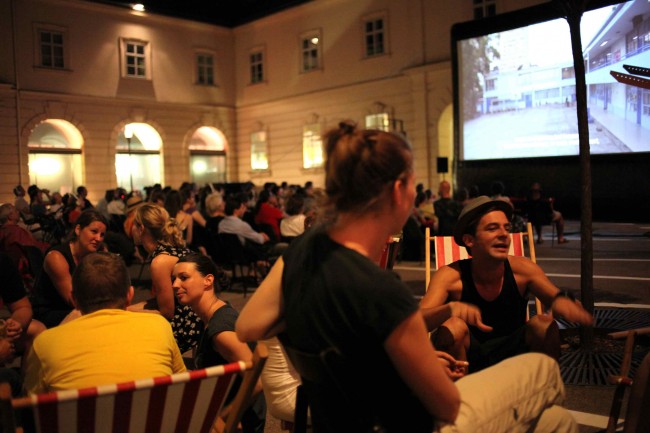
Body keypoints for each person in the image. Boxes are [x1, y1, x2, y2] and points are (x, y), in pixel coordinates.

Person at [236, 122, 577, 433]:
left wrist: (374, 365)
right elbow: (448, 406)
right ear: (398, 190)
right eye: (413, 182)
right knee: (543, 372)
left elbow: (248, 327)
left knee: (556, 423)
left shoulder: (302, 252)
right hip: (411, 425)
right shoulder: (380, 289)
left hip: (340, 420)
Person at [420, 196, 593, 372]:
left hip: (514, 355)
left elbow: (562, 301)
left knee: (543, 324)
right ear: (469, 240)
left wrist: (565, 303)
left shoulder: (523, 270)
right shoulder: (451, 276)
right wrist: (449, 309)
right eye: (492, 228)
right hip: (469, 359)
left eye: (507, 228)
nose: (504, 234)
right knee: (452, 327)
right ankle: (458, 390)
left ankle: (543, 386)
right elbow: (416, 321)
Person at [24, 252, 186, 394]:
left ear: (74, 299)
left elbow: (33, 407)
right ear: (130, 295)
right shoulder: (159, 326)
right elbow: (182, 382)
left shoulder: (44, 345)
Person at [172, 253, 265, 433]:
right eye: (174, 279)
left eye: (183, 277)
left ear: (208, 280)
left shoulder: (221, 331)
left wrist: (222, 418)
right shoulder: (211, 314)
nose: (175, 285)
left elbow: (256, 383)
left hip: (240, 424)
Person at [130, 203, 202, 353]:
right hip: (197, 315)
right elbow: (164, 300)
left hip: (189, 324)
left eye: (133, 225)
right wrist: (128, 309)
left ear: (141, 228)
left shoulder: (160, 262)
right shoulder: (170, 250)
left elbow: (167, 313)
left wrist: (128, 313)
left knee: (131, 337)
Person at [31, 209, 108, 328]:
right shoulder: (56, 257)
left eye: (102, 235)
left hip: (81, 307)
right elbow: (74, 300)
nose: (98, 238)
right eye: (94, 231)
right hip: (51, 312)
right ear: (78, 230)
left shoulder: (95, 254)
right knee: (95, 318)